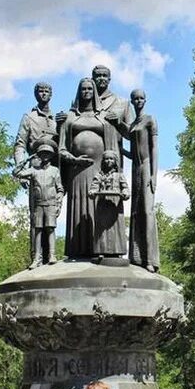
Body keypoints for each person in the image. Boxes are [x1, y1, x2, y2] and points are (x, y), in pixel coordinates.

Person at [59, 78, 122, 259]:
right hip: (77, 170)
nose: (86, 91)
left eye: (89, 89)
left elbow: (112, 147)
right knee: (79, 204)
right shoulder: (70, 117)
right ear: (79, 92)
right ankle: (78, 249)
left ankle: (101, 248)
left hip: (100, 170)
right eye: (83, 89)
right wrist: (73, 159)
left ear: (93, 92)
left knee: (99, 205)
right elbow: (61, 148)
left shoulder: (103, 117)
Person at [14, 80, 59, 264]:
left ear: (51, 94)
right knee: (37, 219)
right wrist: (22, 167)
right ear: (35, 94)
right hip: (36, 169)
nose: (43, 94)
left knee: (53, 218)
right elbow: (19, 145)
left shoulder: (57, 119)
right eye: (40, 91)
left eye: (47, 91)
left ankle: (52, 257)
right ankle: (36, 258)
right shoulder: (29, 118)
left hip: (54, 170)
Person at [124, 88, 159, 272]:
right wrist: (119, 150)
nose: (138, 101)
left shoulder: (150, 120)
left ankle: (151, 260)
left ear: (145, 100)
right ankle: (137, 257)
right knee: (136, 212)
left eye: (141, 98)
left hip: (146, 167)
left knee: (147, 212)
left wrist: (154, 175)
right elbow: (132, 152)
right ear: (131, 101)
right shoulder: (132, 125)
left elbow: (154, 149)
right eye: (135, 99)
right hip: (135, 168)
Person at [14, 140, 64, 268]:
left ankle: (52, 255)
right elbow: (16, 172)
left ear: (51, 156)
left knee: (50, 229)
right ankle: (37, 258)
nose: (45, 156)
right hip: (38, 205)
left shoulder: (55, 171)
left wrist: (58, 204)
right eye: (42, 154)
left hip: (51, 204)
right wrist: (26, 160)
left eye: (47, 154)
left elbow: (60, 189)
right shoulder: (33, 170)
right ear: (39, 155)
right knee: (38, 231)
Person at [89, 149, 129, 258]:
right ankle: (101, 250)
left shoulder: (119, 176)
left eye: (111, 159)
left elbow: (125, 188)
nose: (108, 161)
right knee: (102, 228)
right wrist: (92, 192)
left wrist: (125, 193)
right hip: (103, 205)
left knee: (116, 228)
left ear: (115, 161)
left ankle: (117, 251)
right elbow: (94, 187)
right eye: (106, 159)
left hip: (115, 205)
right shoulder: (99, 176)